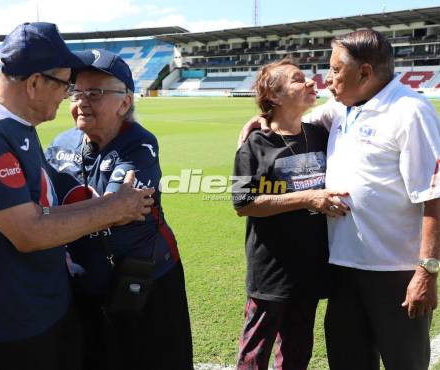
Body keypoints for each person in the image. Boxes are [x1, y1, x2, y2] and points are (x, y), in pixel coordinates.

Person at [0, 23, 154, 370]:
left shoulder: (13, 119)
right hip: (18, 322)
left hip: (49, 303)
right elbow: (29, 232)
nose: (67, 95)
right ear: (34, 83)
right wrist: (115, 207)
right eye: (66, 85)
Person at [239, 29, 440, 370]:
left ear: (364, 73)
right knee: (347, 359)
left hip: (393, 273)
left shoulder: (410, 111)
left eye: (335, 70)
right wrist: (261, 118)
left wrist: (427, 271)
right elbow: (288, 121)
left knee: (404, 362)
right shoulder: (341, 108)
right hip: (342, 270)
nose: (327, 79)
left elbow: (434, 196)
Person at [45, 49, 193, 370]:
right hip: (82, 288)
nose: (82, 101)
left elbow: (120, 208)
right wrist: (108, 209)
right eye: (77, 92)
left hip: (146, 283)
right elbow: (108, 208)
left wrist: (50, 223)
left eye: (95, 92)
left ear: (125, 103)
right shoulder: (60, 144)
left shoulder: (139, 145)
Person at [232, 58, 348, 370]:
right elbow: (243, 203)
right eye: (298, 79)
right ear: (275, 96)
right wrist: (308, 198)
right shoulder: (253, 145)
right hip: (271, 271)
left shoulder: (320, 134)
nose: (311, 82)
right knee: (254, 355)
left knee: (297, 354)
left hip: (311, 267)